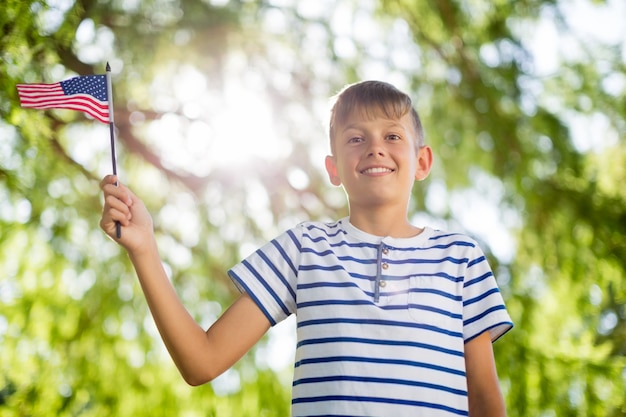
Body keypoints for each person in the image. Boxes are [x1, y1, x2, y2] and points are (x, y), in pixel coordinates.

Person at [100, 80, 513, 416]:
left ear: (422, 161)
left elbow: (485, 400)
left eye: (392, 135)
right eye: (355, 138)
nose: (375, 147)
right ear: (333, 167)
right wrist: (145, 248)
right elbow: (201, 361)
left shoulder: (460, 258)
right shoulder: (305, 248)